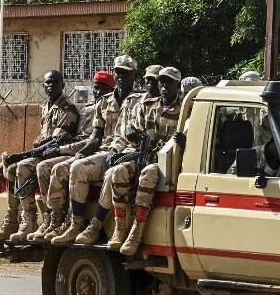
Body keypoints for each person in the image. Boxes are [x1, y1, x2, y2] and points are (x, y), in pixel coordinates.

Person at [0, 70, 78, 258]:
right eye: (47, 82)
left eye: (55, 82)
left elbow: (55, 143)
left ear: (63, 86)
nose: (51, 85)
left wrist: (20, 155)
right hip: (36, 153)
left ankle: (27, 219)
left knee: (17, 167)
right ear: (43, 86)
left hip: (49, 156)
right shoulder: (45, 107)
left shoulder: (67, 109)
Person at [77, 66, 183, 253]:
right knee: (117, 171)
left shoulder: (184, 111)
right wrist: (131, 136)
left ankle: (136, 231)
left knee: (148, 174)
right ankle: (120, 228)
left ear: (178, 86)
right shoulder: (147, 106)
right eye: (162, 82)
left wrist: (182, 141)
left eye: (169, 83)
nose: (164, 86)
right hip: (140, 156)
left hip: (165, 164)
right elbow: (129, 132)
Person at [48, 55, 142, 245]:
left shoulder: (141, 101)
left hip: (128, 152)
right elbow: (96, 137)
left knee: (110, 174)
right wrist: (82, 153)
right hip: (105, 151)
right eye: (118, 72)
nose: (121, 76)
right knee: (77, 167)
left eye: (126, 73)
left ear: (134, 75)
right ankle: (76, 223)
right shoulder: (104, 102)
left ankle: (96, 225)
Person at [27, 71, 115, 243]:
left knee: (61, 168)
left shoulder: (115, 108)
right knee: (43, 167)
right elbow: (80, 138)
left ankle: (72, 222)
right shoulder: (88, 110)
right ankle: (52, 218)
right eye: (95, 88)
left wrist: (61, 150)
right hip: (80, 150)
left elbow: (92, 141)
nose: (98, 92)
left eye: (103, 89)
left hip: (97, 152)